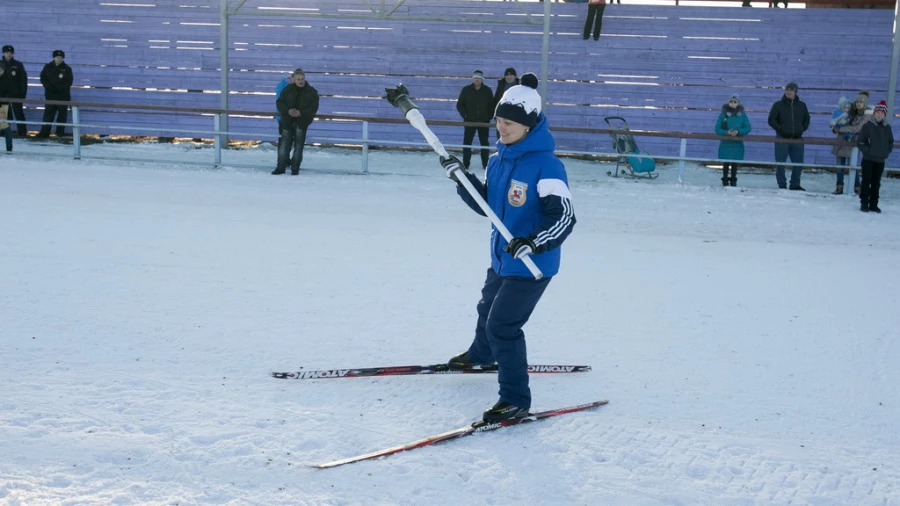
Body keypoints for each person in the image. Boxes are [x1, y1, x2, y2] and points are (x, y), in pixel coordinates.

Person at [439, 73, 576, 422]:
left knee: (503, 326)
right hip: (502, 258)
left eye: (509, 123)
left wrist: (533, 243)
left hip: (532, 265)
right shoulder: (499, 159)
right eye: (499, 121)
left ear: (529, 125)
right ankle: (481, 355)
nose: (502, 128)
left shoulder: (547, 165)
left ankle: (515, 399)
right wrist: (462, 180)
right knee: (487, 308)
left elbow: (564, 217)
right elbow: (487, 205)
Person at [274, 68, 319, 175]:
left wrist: (301, 113)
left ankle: (295, 168)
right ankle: (280, 167)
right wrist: (288, 111)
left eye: (302, 79)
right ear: (294, 79)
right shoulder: (287, 90)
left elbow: (313, 108)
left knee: (299, 146)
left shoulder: (311, 92)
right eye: (298, 79)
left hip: (301, 122)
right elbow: (280, 103)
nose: (300, 81)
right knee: (284, 145)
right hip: (287, 121)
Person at [767, 82, 810, 190]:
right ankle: (782, 184)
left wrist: (802, 129)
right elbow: (771, 120)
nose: (788, 92)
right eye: (787, 90)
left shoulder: (802, 105)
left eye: (791, 90)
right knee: (780, 163)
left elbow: (807, 119)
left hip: (797, 139)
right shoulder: (778, 105)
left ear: (795, 91)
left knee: (798, 163)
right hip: (782, 138)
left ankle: (795, 184)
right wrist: (782, 130)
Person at [857, 101, 893, 213]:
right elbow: (860, 142)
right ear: (874, 113)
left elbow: (890, 142)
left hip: (880, 160)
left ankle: (874, 204)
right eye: (877, 112)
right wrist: (869, 152)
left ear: (884, 114)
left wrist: (886, 152)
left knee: (876, 183)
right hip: (868, 159)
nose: (879, 114)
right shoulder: (867, 126)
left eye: (881, 113)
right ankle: (864, 203)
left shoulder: (887, 127)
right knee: (866, 181)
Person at [830, 92, 869, 195]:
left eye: (861, 102)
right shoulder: (849, 113)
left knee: (853, 167)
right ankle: (839, 187)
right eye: (857, 102)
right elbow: (838, 122)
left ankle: (857, 187)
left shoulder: (866, 116)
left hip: (853, 144)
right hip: (841, 142)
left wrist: (840, 129)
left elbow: (857, 128)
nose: (859, 104)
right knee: (839, 167)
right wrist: (835, 128)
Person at [456, 70, 494, 170]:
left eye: (479, 78)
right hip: (470, 121)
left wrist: (488, 116)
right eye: (475, 78)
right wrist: (465, 115)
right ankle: (466, 164)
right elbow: (460, 104)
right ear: (473, 79)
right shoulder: (466, 90)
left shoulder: (487, 90)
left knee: (484, 142)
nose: (477, 80)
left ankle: (485, 164)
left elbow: (492, 105)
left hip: (484, 122)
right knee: (467, 142)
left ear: (482, 79)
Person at [714, 94, 751, 187]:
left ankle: (734, 180)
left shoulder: (742, 115)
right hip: (726, 143)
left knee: (735, 163)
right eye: (731, 101)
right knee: (725, 162)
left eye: (735, 102)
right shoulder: (723, 114)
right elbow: (717, 129)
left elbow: (748, 128)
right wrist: (727, 132)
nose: (732, 103)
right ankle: (725, 180)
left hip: (737, 143)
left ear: (738, 103)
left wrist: (738, 131)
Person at [38, 49, 74, 138]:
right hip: (50, 95)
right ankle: (45, 133)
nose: (59, 59)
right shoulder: (48, 67)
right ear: (54, 58)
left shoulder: (67, 68)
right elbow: (43, 78)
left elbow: (69, 81)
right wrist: (49, 87)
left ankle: (60, 133)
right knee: (48, 115)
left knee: (62, 116)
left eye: (61, 58)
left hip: (63, 96)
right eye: (57, 57)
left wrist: (60, 88)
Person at [1, 45, 28, 137]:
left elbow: (23, 80)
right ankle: (3, 132)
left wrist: (22, 93)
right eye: (7, 53)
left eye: (10, 53)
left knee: (19, 113)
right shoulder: (0, 64)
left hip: (16, 94)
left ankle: (22, 132)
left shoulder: (18, 65)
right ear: (3, 53)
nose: (8, 54)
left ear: (13, 54)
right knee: (3, 113)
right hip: (2, 94)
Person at [493, 68, 519, 141]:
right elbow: (496, 101)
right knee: (501, 137)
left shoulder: (520, 87)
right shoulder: (501, 86)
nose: (509, 77)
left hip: (515, 117)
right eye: (507, 75)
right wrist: (495, 115)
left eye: (511, 75)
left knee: (515, 137)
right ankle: (501, 151)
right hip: (502, 116)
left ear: (515, 76)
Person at [0, 61, 13, 151]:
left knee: (6, 126)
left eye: (0, 70)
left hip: (5, 106)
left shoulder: (7, 80)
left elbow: (9, 92)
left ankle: (9, 146)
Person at [274, 72, 292, 139]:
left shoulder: (282, 85)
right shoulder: (284, 86)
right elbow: (280, 101)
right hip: (284, 115)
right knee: (284, 137)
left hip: (285, 115)